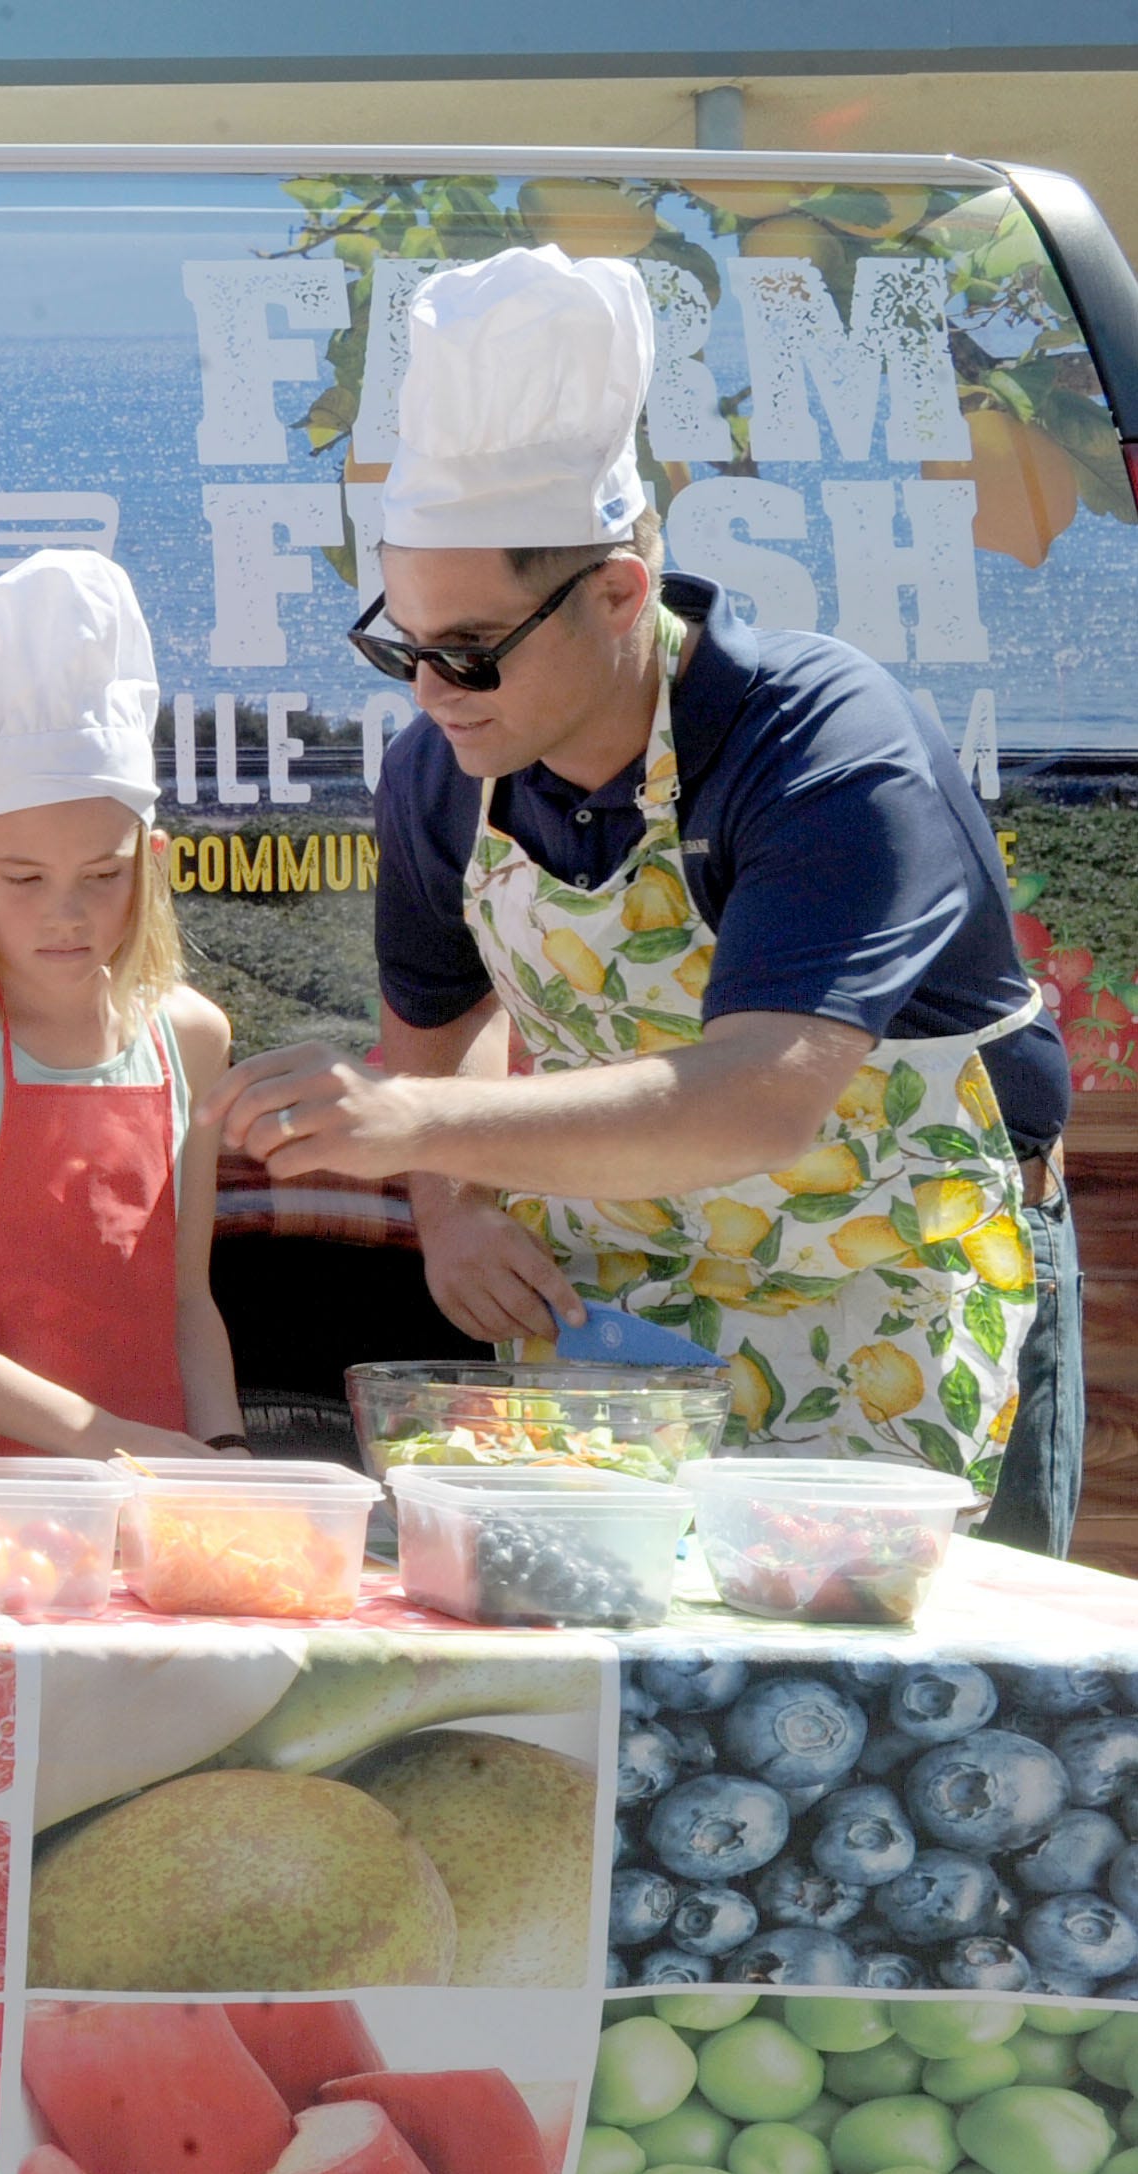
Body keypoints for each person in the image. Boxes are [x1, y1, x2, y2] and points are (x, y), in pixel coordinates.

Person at [212, 244, 1077, 1551]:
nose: (425, 694)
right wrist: (447, 1211)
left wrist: (412, 1125)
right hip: (611, 1329)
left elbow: (754, 1097)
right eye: (393, 644)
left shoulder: (819, 745)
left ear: (616, 589)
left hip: (886, 1315)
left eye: (460, 653)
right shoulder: (444, 776)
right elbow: (431, 1034)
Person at [0, 551, 239, 1461]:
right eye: (21, 878)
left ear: (152, 865)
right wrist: (108, 1442)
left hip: (145, 1488)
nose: (64, 914)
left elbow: (186, 1299)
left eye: (101, 877)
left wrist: (224, 1453)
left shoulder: (191, 1038)